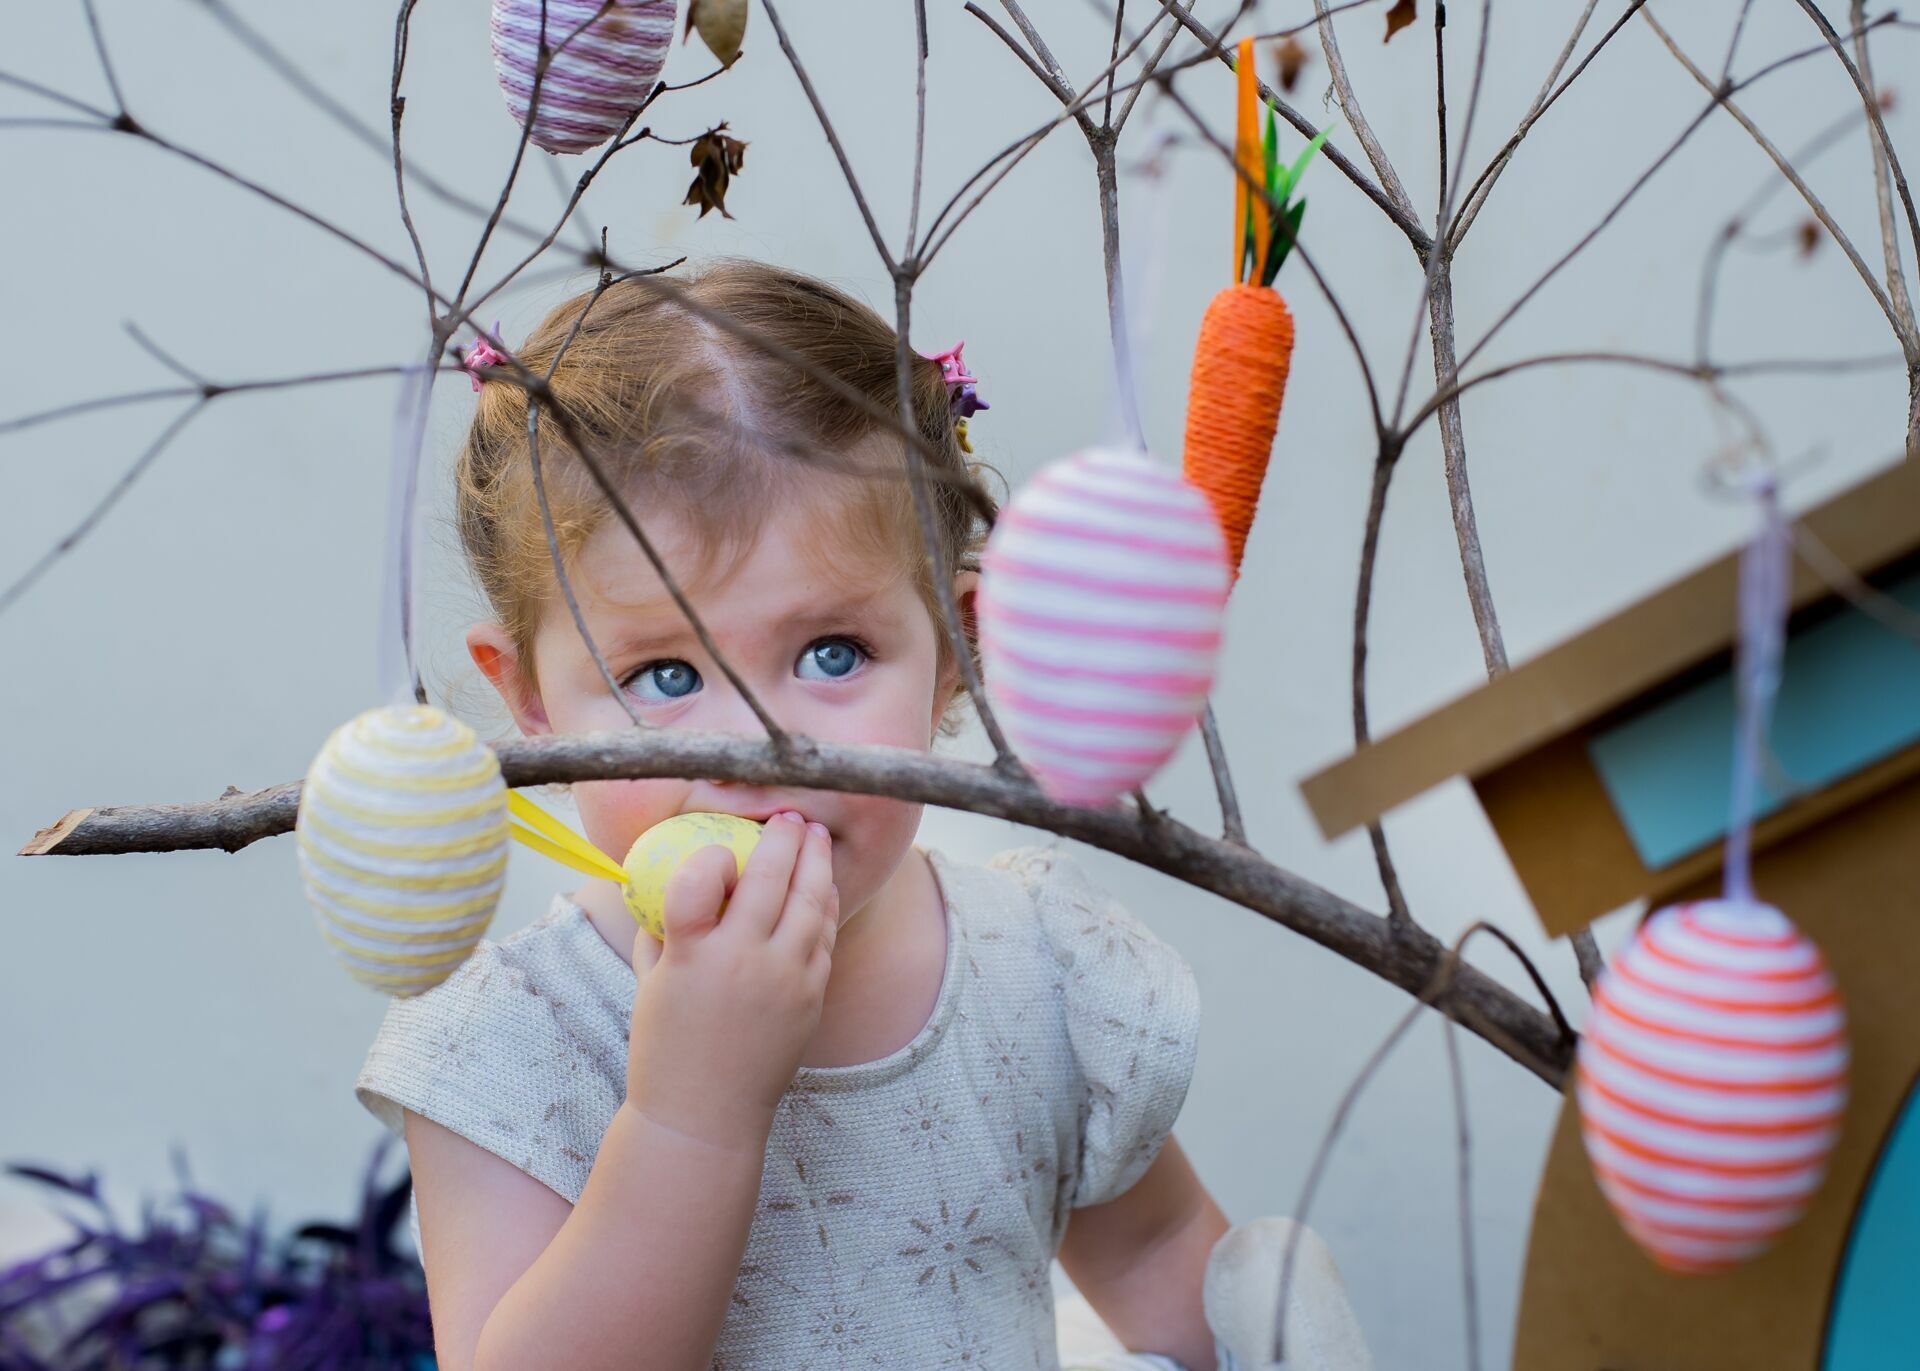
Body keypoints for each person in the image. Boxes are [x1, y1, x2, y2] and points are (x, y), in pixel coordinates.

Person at [353, 258, 1239, 1371]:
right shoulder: (511, 1049)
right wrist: (691, 1115)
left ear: (956, 648)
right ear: (529, 700)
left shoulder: (1044, 971)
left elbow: (1156, 1253)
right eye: (666, 677)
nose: (760, 750)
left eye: (832, 653)